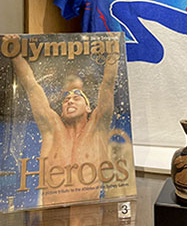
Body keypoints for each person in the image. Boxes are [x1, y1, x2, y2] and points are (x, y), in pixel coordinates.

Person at [3, 34, 125, 205]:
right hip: (51, 216)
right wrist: (15, 53)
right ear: (60, 110)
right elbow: (30, 84)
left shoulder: (97, 128)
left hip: (87, 218)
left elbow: (108, 84)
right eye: (66, 99)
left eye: (77, 97)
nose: (70, 99)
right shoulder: (52, 129)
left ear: (88, 108)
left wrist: (113, 51)